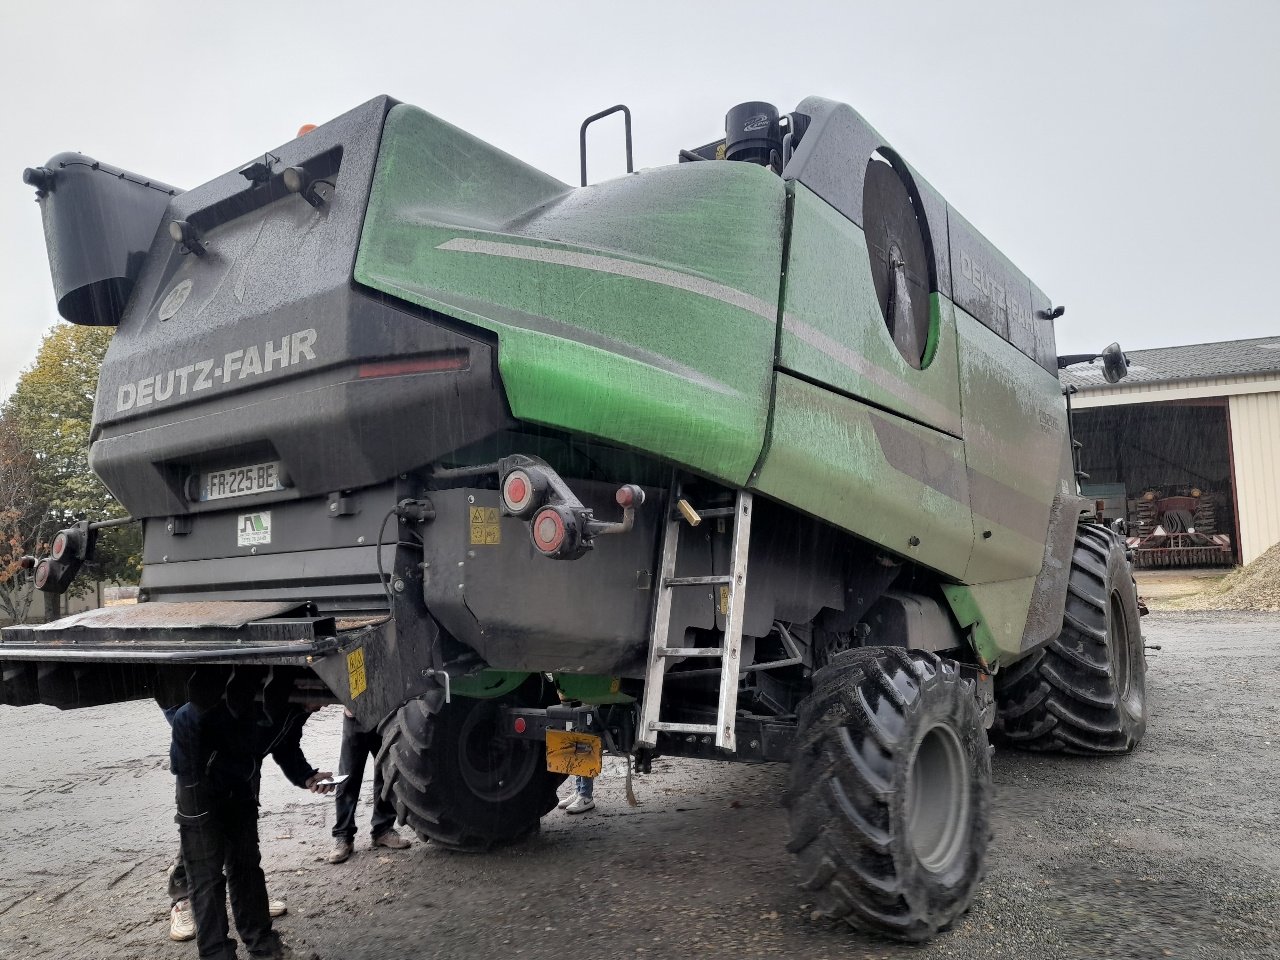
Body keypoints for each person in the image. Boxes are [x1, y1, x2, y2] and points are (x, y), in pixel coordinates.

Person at [170, 670, 332, 960]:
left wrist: (306, 776)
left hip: (241, 781)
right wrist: (195, 782)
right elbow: (184, 719)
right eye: (318, 698)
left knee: (246, 865)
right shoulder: (243, 691)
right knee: (206, 876)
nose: (321, 707)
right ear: (301, 684)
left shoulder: (296, 706)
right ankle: (217, 954)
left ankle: (265, 948)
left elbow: (285, 742)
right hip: (200, 782)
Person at [161, 705, 287, 943]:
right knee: (203, 855)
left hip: (237, 756)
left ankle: (253, 916)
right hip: (201, 760)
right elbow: (177, 707)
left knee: (243, 848)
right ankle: (183, 900)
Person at [327, 708, 410, 863]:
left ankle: (383, 830)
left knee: (386, 773)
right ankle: (343, 836)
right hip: (354, 715)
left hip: (384, 715)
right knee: (347, 777)